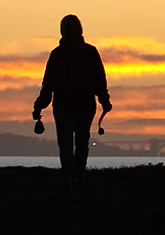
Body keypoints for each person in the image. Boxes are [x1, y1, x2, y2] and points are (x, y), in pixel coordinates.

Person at [32, 14, 111, 189]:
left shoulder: (90, 53)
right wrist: (39, 105)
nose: (72, 34)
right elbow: (48, 84)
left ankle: (78, 173)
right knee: (66, 142)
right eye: (69, 31)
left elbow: (99, 80)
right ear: (63, 33)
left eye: (75, 30)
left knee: (81, 142)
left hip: (83, 105)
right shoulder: (57, 54)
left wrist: (104, 99)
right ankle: (71, 175)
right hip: (63, 105)